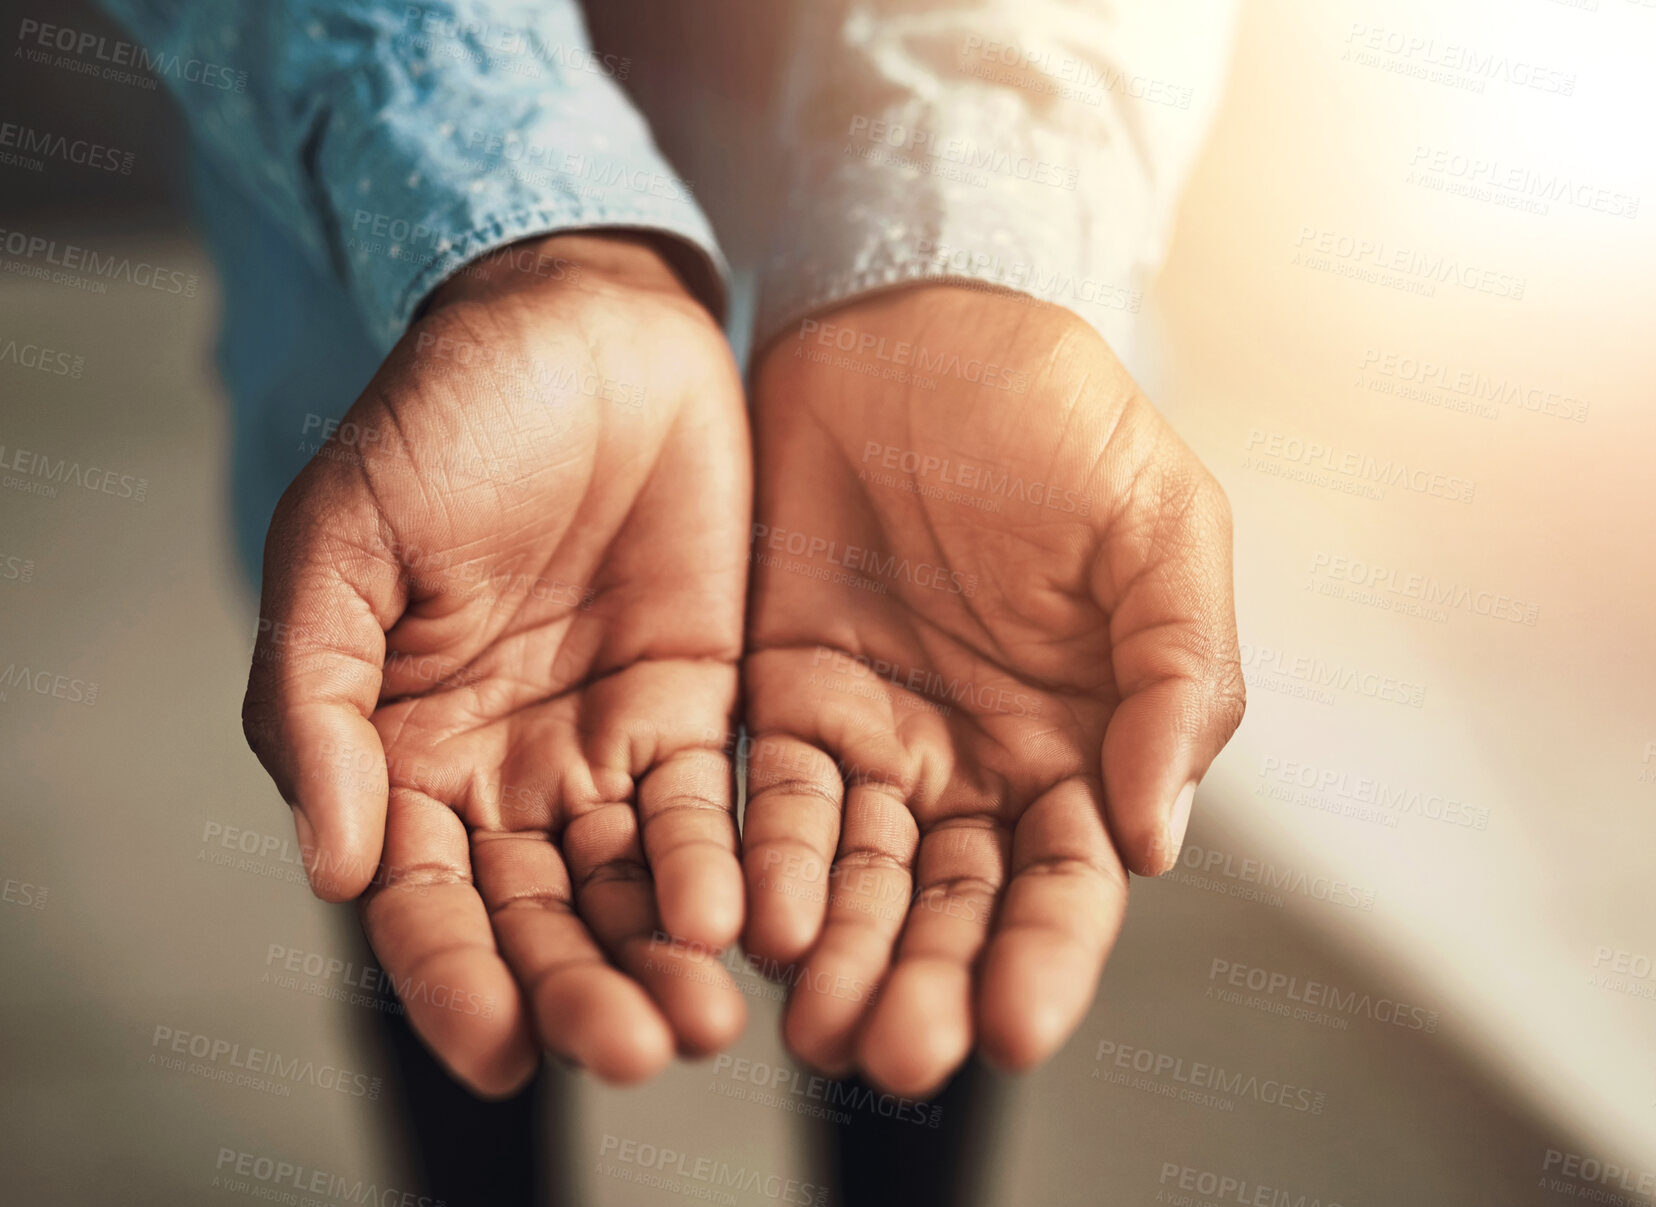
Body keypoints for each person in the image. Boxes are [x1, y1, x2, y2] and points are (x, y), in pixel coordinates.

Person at [94, 0, 1245, 1200]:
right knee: (449, 812)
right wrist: (494, 197)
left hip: (823, 362)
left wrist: (969, 227)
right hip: (406, 298)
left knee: (922, 850)